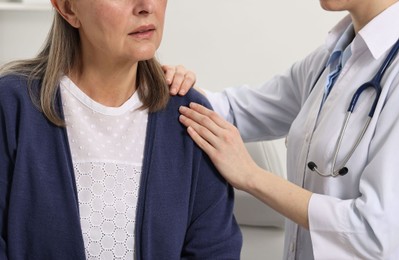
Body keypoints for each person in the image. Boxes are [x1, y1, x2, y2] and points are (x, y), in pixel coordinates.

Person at [0, 0, 242, 259]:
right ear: (68, 9)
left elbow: (215, 250)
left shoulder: (189, 115)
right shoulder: (13, 105)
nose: (146, 6)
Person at [176, 0, 399, 259]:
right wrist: (169, 86)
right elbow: (237, 109)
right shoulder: (334, 58)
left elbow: (375, 232)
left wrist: (251, 177)